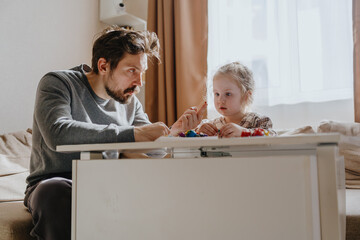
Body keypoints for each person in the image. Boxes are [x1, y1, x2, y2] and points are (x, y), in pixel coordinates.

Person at [24, 26, 206, 240]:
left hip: (108, 184)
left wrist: (173, 134)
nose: (139, 82)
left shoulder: (130, 102)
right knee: (53, 193)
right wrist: (134, 134)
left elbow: (152, 150)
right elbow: (58, 133)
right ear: (103, 65)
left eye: (142, 72)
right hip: (56, 182)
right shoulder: (59, 83)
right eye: (132, 71)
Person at [196, 61, 275, 138]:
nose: (220, 100)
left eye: (228, 94)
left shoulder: (258, 121)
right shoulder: (212, 125)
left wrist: (244, 132)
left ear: (246, 96)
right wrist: (199, 132)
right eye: (217, 94)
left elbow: (272, 135)